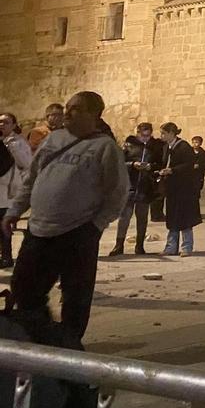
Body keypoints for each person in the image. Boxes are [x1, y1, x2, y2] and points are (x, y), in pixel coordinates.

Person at [1, 91, 128, 340]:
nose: (68, 113)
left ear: (94, 114)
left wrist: (94, 226)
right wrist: (15, 210)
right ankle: (40, 337)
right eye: (68, 107)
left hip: (77, 233)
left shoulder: (105, 147)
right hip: (38, 230)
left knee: (75, 298)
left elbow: (118, 193)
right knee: (24, 289)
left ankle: (69, 350)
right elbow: (32, 179)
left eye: (76, 109)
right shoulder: (54, 140)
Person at [109, 123, 162, 257]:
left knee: (142, 218)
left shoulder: (155, 146)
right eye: (143, 135)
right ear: (138, 133)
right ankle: (119, 245)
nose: (146, 138)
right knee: (124, 217)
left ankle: (140, 245)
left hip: (145, 187)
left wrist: (150, 167)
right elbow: (119, 162)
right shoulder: (129, 144)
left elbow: (159, 163)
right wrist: (133, 164)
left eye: (148, 135)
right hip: (129, 186)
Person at [157, 123, 201, 257]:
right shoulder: (166, 147)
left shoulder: (184, 147)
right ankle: (171, 247)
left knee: (185, 218)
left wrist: (173, 170)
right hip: (171, 189)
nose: (162, 136)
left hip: (184, 189)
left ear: (171, 133)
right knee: (172, 217)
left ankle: (187, 247)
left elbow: (189, 165)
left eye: (164, 133)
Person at [0, 113, 32, 268]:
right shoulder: (3, 141)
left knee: (3, 223)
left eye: (6, 122)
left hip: (9, 188)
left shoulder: (18, 142)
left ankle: (6, 256)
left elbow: (27, 163)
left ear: (13, 125)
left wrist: (12, 151)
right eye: (0, 122)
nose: (2, 125)